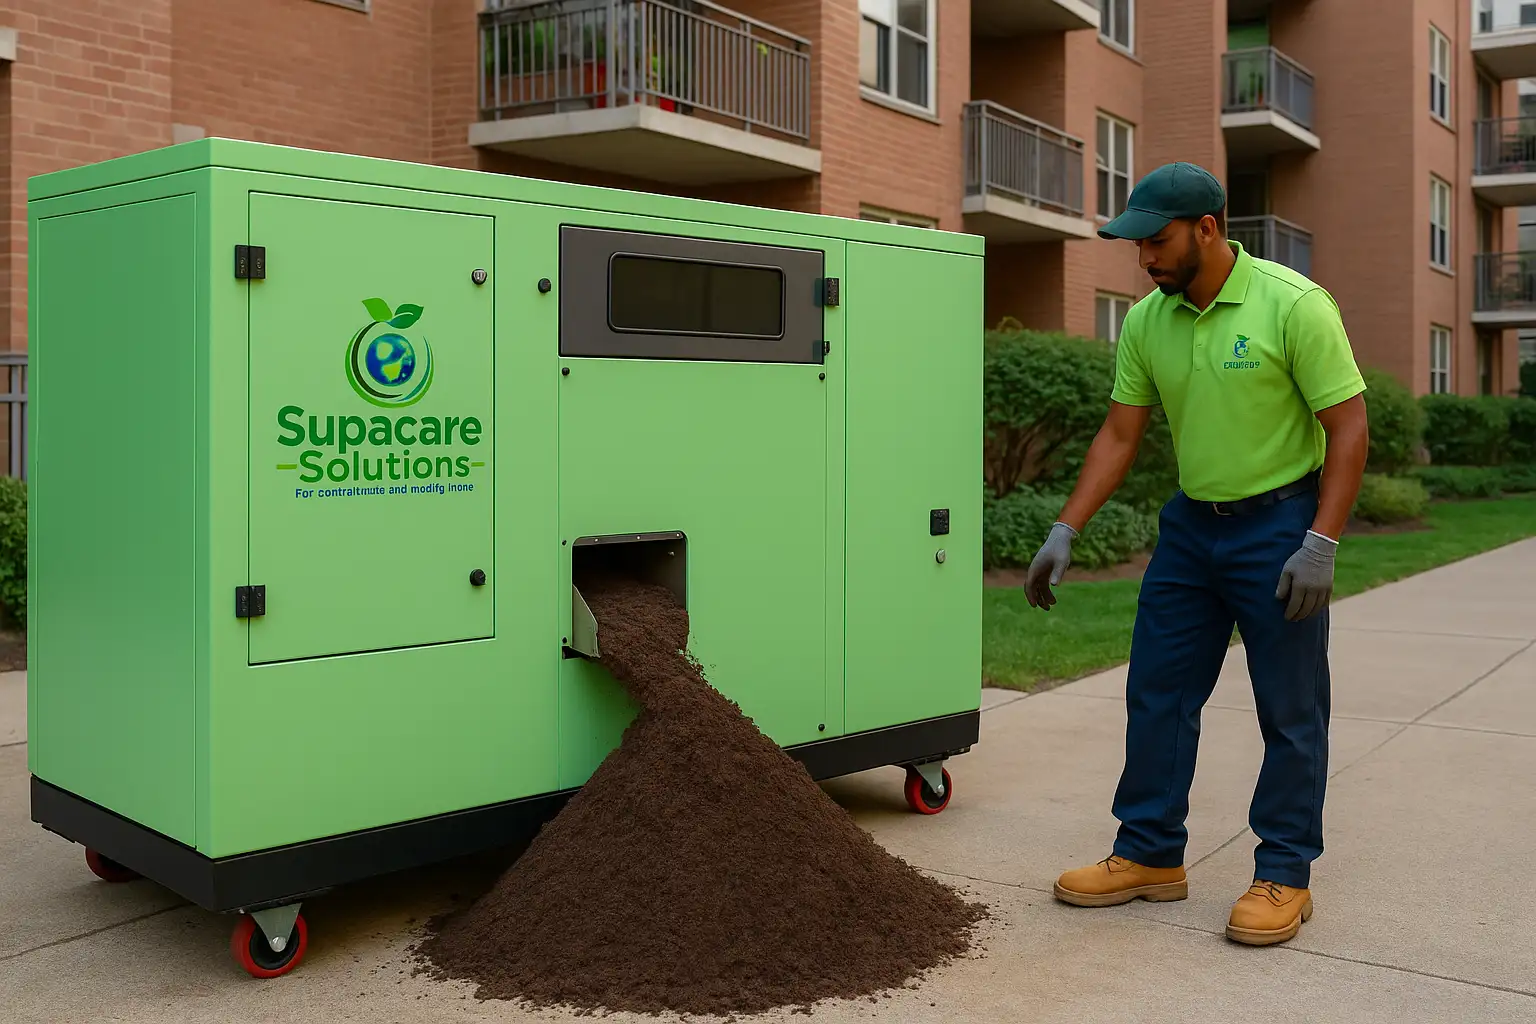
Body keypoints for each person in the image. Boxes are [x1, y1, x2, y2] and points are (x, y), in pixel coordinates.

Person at [1029, 162, 1369, 947]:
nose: (1144, 257)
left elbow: (1348, 429)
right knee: (1157, 691)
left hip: (1280, 524)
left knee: (1289, 708)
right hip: (1189, 530)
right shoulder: (1150, 320)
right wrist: (1067, 527)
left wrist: (1321, 541)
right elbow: (1120, 432)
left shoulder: (1294, 305)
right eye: (1137, 243)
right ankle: (1149, 853)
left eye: (1156, 240)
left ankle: (1284, 871)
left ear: (1208, 229)